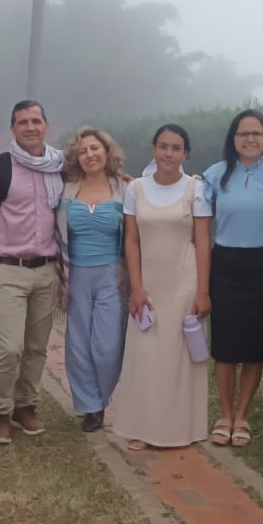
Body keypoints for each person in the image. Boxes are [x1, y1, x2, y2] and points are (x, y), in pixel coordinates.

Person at [110, 124, 212, 450]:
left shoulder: (196, 189)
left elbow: (202, 242)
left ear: (186, 154)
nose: (169, 153)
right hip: (148, 283)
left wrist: (202, 291)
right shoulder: (136, 189)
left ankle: (179, 429)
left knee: (178, 357)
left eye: (176, 148)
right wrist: (137, 288)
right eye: (163, 146)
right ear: (154, 150)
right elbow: (132, 240)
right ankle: (142, 427)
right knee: (146, 355)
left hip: (184, 280)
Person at [0, 100, 65, 445]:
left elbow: (97, 181)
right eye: (22, 122)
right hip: (8, 270)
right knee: (9, 348)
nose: (30, 127)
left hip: (46, 270)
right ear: (13, 128)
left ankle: (25, 405)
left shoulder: (59, 167)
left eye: (36, 121)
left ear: (46, 125)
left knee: (37, 347)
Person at [201, 109, 263, 448]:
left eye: (257, 133)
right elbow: (194, 214)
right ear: (233, 138)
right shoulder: (215, 174)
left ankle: (242, 416)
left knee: (255, 345)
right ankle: (225, 414)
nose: (250, 139)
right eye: (244, 133)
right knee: (225, 346)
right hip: (225, 262)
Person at [56, 127, 128, 432]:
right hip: (75, 275)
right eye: (83, 151)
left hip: (112, 275)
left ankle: (103, 394)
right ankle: (91, 407)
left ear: (107, 152)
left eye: (95, 148)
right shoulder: (66, 189)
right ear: (76, 157)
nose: (89, 155)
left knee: (108, 345)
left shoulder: (125, 188)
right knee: (78, 345)